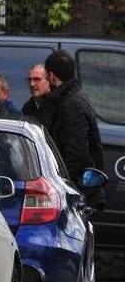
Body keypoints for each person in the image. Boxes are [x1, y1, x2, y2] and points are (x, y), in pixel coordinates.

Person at [40, 51, 105, 210]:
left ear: (52, 75)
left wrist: (61, 185)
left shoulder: (70, 104)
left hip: (75, 192)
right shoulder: (77, 97)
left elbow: (76, 154)